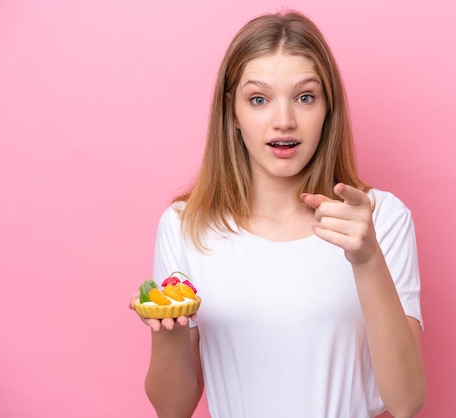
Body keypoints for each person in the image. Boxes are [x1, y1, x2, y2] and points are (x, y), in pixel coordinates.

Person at [130, 9, 425, 418]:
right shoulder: (186, 226)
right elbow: (172, 408)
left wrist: (367, 258)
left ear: (328, 109)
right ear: (231, 113)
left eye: (305, 97)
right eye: (259, 99)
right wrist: (167, 327)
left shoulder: (379, 219)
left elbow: (407, 402)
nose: (284, 121)